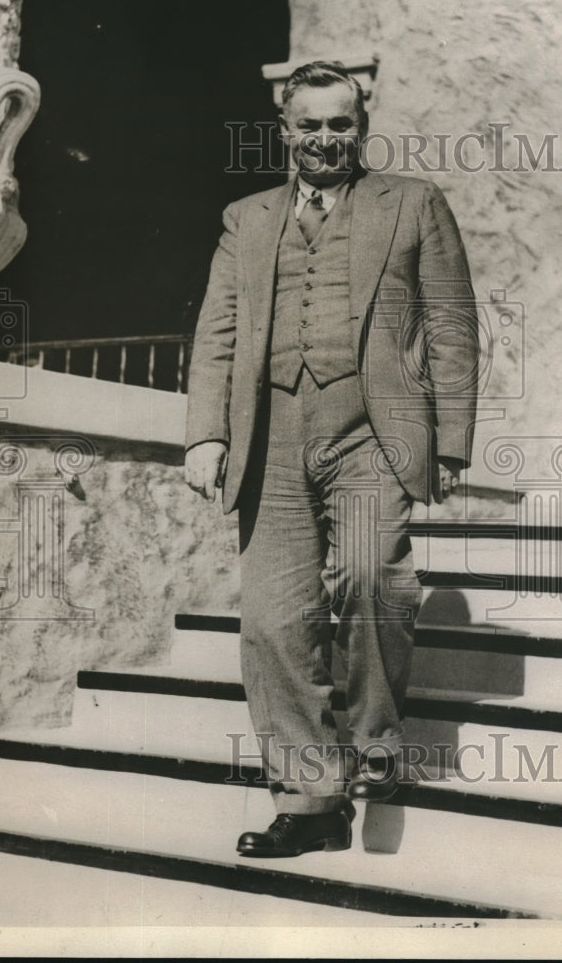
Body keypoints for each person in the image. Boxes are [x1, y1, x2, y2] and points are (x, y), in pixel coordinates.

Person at [184, 60, 478, 858]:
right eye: (309, 125)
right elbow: (216, 334)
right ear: (285, 130)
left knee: (371, 575)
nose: (324, 139)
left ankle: (377, 744)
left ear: (362, 126)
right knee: (274, 622)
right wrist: (206, 432)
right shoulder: (245, 218)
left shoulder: (412, 203)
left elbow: (451, 327)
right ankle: (312, 802)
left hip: (370, 432)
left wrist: (450, 442)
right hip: (270, 437)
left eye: (339, 124)